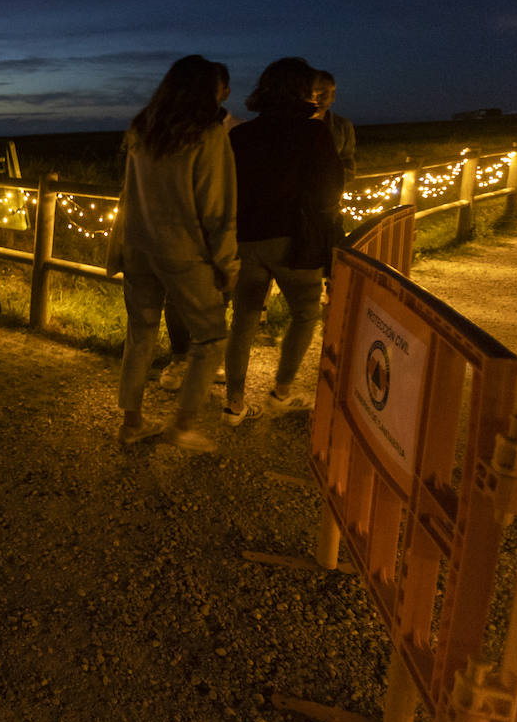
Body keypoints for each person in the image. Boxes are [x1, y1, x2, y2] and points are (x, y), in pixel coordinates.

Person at [107, 55, 239, 453]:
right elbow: (217, 207)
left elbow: (129, 191)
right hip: (183, 250)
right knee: (212, 336)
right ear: (208, 91)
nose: (225, 95)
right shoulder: (208, 135)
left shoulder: (142, 129)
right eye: (220, 88)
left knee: (141, 334)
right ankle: (181, 425)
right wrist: (228, 263)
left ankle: (132, 422)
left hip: (139, 245)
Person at [221, 58, 344, 426]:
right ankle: (281, 392)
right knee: (305, 313)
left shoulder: (240, 135)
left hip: (247, 240)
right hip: (295, 241)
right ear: (302, 90)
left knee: (243, 320)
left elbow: (229, 190)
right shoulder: (314, 132)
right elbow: (329, 192)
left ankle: (234, 404)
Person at [159, 61, 233, 391]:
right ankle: (181, 359)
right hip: (179, 234)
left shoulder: (230, 129)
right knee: (177, 300)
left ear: (225, 91)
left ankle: (206, 360)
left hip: (206, 229)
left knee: (216, 298)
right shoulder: (164, 131)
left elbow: (220, 192)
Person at [313, 70, 357, 185]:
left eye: (323, 94)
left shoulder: (343, 126)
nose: (317, 100)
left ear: (333, 96)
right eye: (313, 94)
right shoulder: (294, 126)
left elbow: (348, 161)